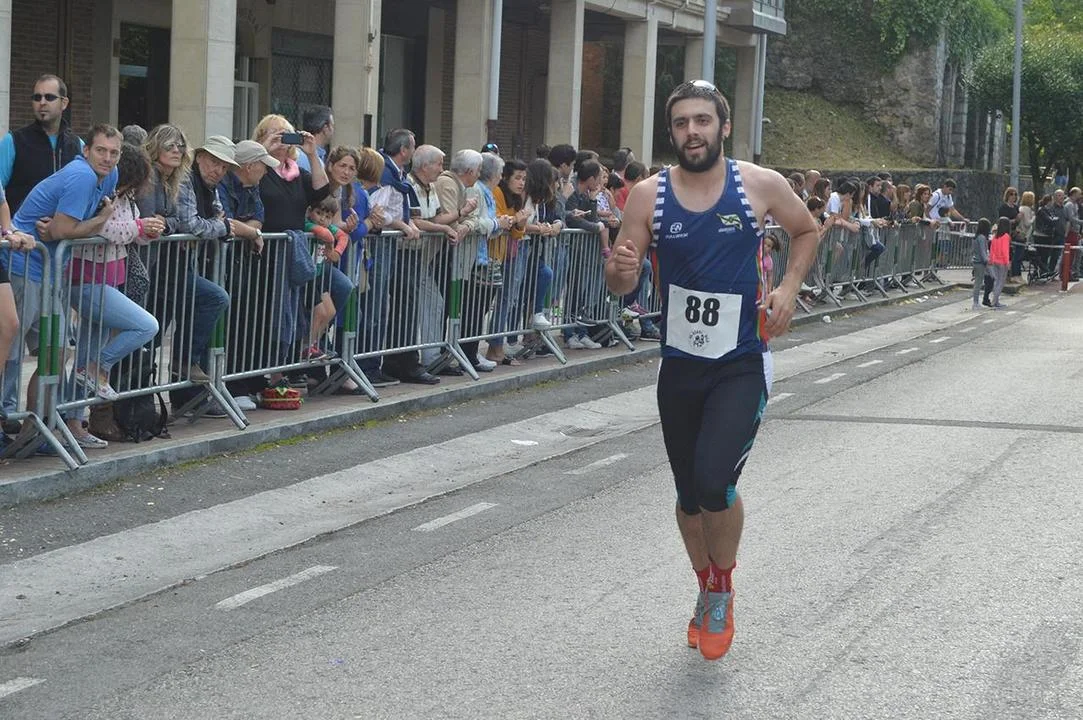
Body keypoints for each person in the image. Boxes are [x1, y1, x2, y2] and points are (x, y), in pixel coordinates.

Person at [604, 80, 819, 662]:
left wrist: (788, 289)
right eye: (681, 123)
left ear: (723, 127)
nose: (692, 132)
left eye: (702, 120)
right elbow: (621, 282)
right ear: (671, 132)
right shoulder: (647, 196)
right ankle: (705, 586)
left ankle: (721, 590)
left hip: (741, 361)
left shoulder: (759, 184)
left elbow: (805, 229)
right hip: (680, 365)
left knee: (714, 482)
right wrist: (621, 268)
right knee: (687, 496)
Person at [5, 123, 122, 449]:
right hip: (22, 266)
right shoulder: (82, 175)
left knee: (54, 354)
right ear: (86, 151)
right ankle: (4, 424)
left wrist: (74, 226)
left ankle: (34, 432)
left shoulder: (110, 175)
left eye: (114, 153)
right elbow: (61, 230)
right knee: (9, 356)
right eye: (101, 150)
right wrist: (101, 219)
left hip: (52, 271)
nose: (107, 158)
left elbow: (64, 228)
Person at [0, 74, 84, 213]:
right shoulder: (13, 141)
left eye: (49, 97)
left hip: (65, 226)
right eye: (37, 97)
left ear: (64, 103)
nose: (42, 102)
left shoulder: (78, 145)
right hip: (20, 225)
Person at [988, 217, 1011, 308]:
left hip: (995, 261)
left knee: (996, 281)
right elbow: (1005, 251)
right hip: (1002, 262)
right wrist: (1007, 262)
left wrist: (991, 260)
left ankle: (996, 301)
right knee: (1001, 282)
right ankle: (995, 301)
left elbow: (992, 249)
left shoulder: (995, 236)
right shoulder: (1006, 236)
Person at [970, 217, 991, 310]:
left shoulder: (976, 237)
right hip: (980, 262)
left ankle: (976, 302)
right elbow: (983, 252)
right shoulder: (982, 238)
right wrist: (987, 261)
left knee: (978, 282)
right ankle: (975, 303)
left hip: (976, 261)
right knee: (978, 283)